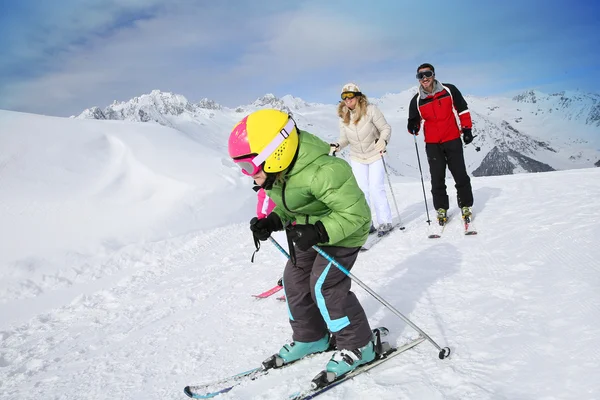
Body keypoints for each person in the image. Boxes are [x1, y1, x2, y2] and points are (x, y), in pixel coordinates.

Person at [228, 108, 376, 378]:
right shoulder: (281, 172)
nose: (249, 175)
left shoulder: (324, 171)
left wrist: (319, 231)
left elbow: (357, 214)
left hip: (344, 231)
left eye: (249, 166)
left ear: (274, 154)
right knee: (294, 280)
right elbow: (293, 205)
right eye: (242, 167)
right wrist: (274, 220)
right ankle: (312, 337)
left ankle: (360, 344)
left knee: (324, 284)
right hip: (311, 231)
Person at [407, 63, 474, 225]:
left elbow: (462, 109)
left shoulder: (449, 90)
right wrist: (413, 126)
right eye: (420, 76)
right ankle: (441, 208)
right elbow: (413, 121)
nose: (424, 78)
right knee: (437, 178)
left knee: (460, 174)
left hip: (452, 139)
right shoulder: (417, 100)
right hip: (432, 144)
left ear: (434, 75)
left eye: (427, 74)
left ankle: (465, 205)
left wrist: (466, 129)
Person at [330, 83, 394, 237]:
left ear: (358, 96)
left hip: (375, 153)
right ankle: (367, 222)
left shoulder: (371, 110)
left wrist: (383, 141)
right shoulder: (343, 116)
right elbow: (345, 139)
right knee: (361, 191)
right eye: (344, 97)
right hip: (357, 157)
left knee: (375, 187)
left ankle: (385, 221)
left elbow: (385, 128)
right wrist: (338, 145)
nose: (347, 100)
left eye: (350, 96)